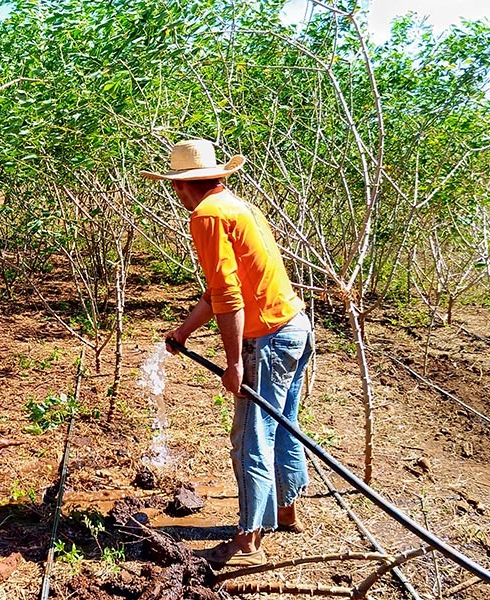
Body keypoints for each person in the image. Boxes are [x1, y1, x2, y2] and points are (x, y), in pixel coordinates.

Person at [142, 139, 314, 568]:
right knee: (282, 425)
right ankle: (285, 510)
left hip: (268, 339)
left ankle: (249, 538)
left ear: (185, 186)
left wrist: (235, 361)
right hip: (294, 326)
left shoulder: (206, 216)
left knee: (251, 436)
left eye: (176, 187)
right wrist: (183, 331)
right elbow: (219, 290)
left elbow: (229, 296)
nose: (177, 195)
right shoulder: (239, 206)